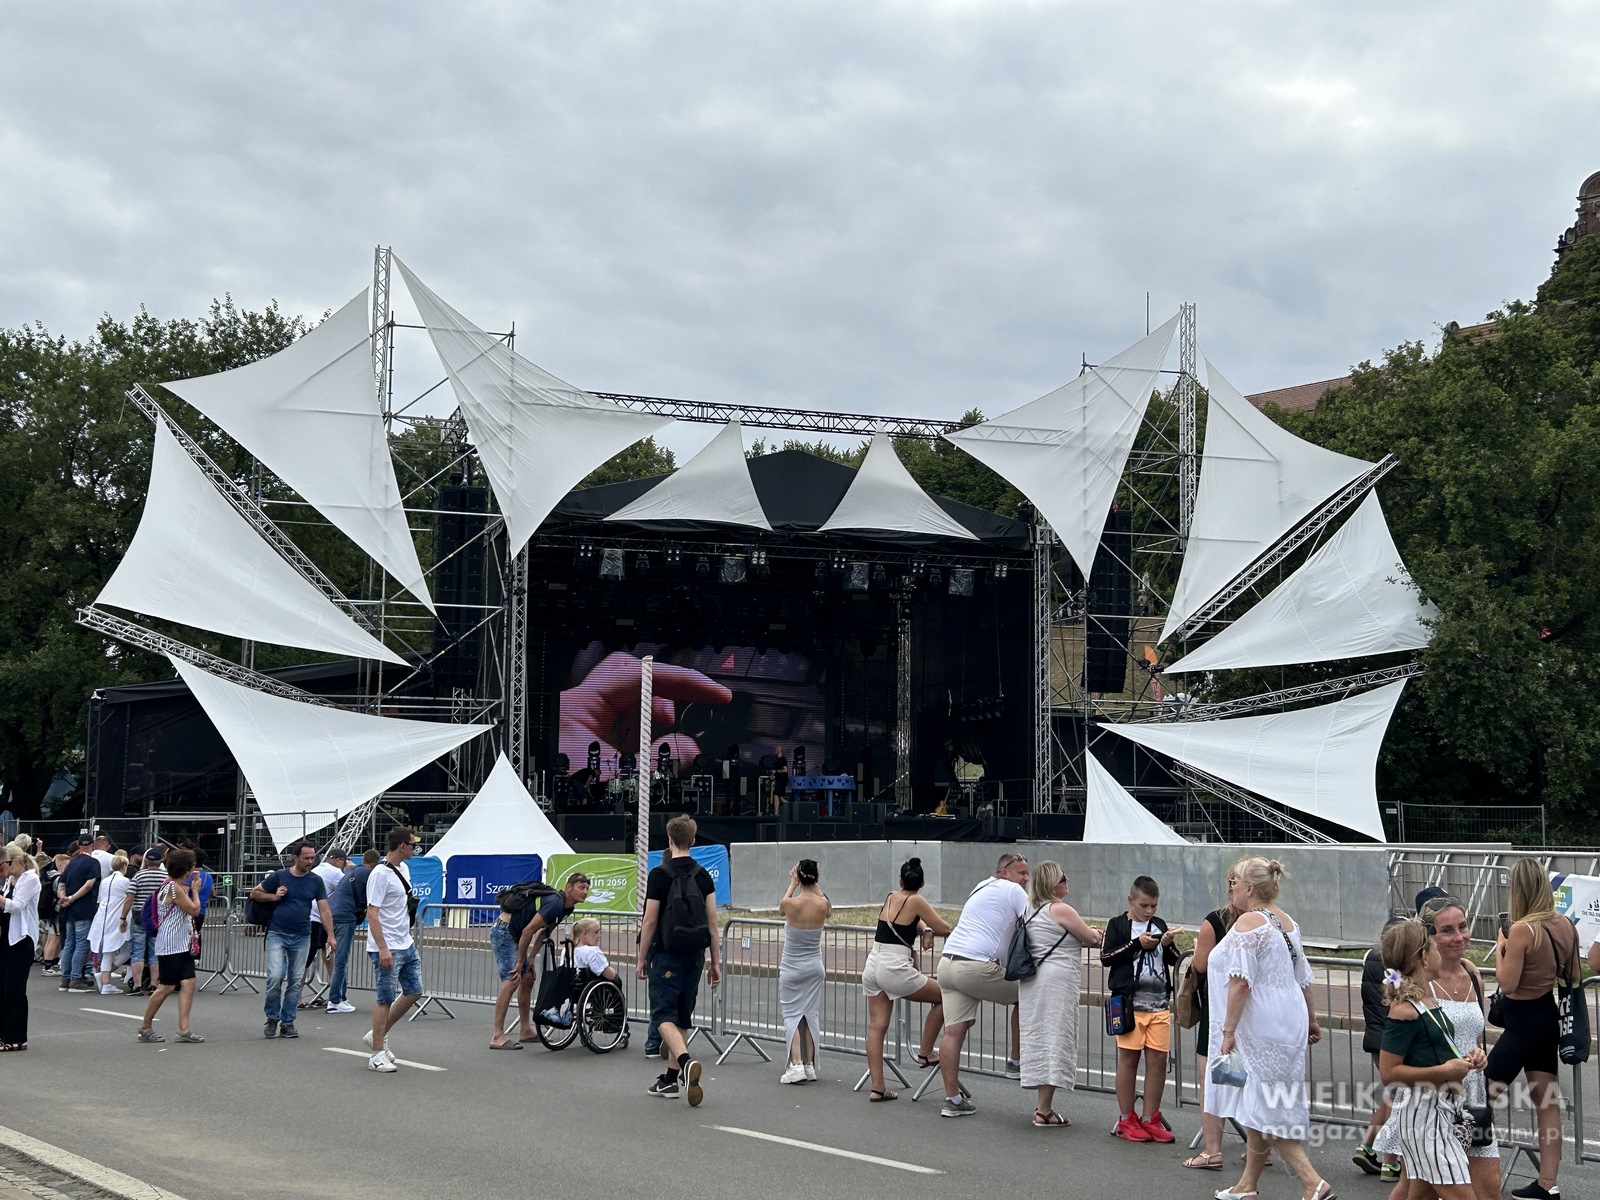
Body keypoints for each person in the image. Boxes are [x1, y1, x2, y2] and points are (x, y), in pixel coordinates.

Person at [1208, 857, 1331, 1200]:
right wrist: (1312, 1018)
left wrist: (1228, 1032)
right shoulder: (1286, 921)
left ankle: (1312, 1181)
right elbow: (1302, 977)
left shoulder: (1249, 922)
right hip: (1287, 1017)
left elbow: (1240, 982)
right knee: (1262, 1100)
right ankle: (1247, 1185)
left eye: (1234, 883)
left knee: (1263, 1103)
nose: (1231, 888)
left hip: (1260, 1021)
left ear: (1249, 888)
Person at [1485, 857, 1577, 1200]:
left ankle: (1476, 1172)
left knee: (1482, 1095)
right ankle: (1548, 1183)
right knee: (1546, 1102)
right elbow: (1573, 975)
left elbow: (1507, 984)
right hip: (1546, 1017)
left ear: (1519, 890)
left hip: (1521, 1023)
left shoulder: (1523, 929)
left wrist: (1502, 946)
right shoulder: (1565, 924)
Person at [1378, 918, 1485, 1200]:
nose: (1440, 952)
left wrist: (1470, 1057)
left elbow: (1434, 1051)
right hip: (1425, 1118)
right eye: (1434, 948)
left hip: (1442, 1111)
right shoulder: (1405, 1010)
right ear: (1424, 958)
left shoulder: (1428, 1001)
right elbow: (1389, 1073)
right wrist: (1446, 1070)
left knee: (1419, 1195)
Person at [932, 852, 1030, 1117]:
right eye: (1021, 873)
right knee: (1027, 995)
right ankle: (1016, 1062)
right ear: (1004, 871)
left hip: (948, 963)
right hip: (976, 966)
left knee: (953, 1032)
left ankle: (952, 1100)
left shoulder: (981, 886)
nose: (1026, 879)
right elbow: (1038, 921)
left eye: (1027, 874)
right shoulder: (1013, 890)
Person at [1416, 893, 1500, 1200]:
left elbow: (1475, 1038)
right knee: (1418, 1193)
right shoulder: (1418, 981)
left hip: (1473, 1098)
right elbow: (1403, 1050)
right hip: (1431, 1099)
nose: (1459, 936)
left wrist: (1480, 1057)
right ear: (1429, 936)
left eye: (1462, 927)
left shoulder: (1474, 976)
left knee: (1489, 1190)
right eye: (1447, 930)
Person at [637, 814, 721, 1105]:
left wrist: (641, 957)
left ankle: (685, 1063)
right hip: (695, 955)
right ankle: (670, 1080)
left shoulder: (659, 874)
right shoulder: (703, 875)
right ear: (693, 840)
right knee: (682, 1016)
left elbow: (650, 921)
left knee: (663, 1015)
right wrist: (715, 962)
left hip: (666, 953)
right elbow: (713, 923)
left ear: (670, 840)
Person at [1018, 861, 1102, 1127]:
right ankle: (1044, 1110)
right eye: (1063, 878)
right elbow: (1091, 938)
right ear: (1052, 884)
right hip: (1057, 980)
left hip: (1033, 980)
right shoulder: (1060, 909)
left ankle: (1042, 1105)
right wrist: (1096, 932)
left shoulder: (1030, 909)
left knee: (1039, 1036)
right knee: (1056, 1037)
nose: (1067, 882)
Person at [862, 856, 949, 1102]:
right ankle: (925, 1052)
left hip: (873, 963)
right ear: (922, 883)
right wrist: (932, 929)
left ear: (900, 881)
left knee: (877, 1026)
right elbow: (943, 927)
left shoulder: (891, 896)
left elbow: (909, 921)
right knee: (946, 996)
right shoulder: (917, 900)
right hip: (895, 967)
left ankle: (878, 1088)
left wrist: (924, 929)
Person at [1101, 874, 1180, 1143]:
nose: (1149, 911)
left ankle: (1150, 1118)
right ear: (1131, 900)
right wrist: (1136, 944)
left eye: (1154, 906)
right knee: (1129, 1059)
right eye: (1144, 905)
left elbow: (1173, 959)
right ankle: (1126, 1118)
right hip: (1128, 1005)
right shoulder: (1117, 925)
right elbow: (1106, 957)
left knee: (1158, 1061)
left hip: (1158, 1004)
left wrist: (1167, 945)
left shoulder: (1159, 924)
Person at [489, 871, 591, 1048]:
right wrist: (520, 962)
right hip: (504, 930)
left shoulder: (567, 908)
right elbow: (528, 931)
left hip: (515, 932)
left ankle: (526, 1030)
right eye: (581, 887)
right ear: (569, 887)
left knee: (527, 978)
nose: (585, 892)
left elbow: (544, 932)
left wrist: (531, 958)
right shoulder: (556, 903)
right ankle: (497, 1036)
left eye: (587, 889)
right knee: (512, 979)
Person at [249, 839, 336, 1039]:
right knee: (275, 977)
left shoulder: (315, 881)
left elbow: (324, 909)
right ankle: (272, 1017)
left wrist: (330, 935)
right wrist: (274, 896)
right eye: (306, 858)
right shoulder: (279, 876)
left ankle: (288, 1022)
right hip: (277, 933)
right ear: (295, 858)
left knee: (296, 981)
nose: (310, 862)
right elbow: (255, 893)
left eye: (312, 858)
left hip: (302, 936)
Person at [1183, 885, 1238, 1170]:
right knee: (1249, 1079)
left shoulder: (1216, 921)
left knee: (1210, 1078)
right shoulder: (1269, 920)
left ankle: (1212, 1149)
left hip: (1218, 1008)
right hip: (1253, 1010)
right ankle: (1260, 1149)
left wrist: (1196, 950)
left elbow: (1201, 965)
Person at [1352, 914, 1407, 1184]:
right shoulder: (1399, 966)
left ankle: (1367, 1146)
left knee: (1393, 1096)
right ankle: (1390, 1161)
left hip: (1375, 1037)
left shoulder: (1371, 959)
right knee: (1400, 1100)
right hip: (1394, 1041)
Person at [364, 827, 422, 1072]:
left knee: (415, 991)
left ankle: (377, 1034)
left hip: (405, 942)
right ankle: (376, 1054)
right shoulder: (379, 874)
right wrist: (383, 948)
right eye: (413, 844)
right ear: (402, 846)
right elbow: (372, 913)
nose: (415, 848)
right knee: (385, 998)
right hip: (388, 946)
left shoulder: (404, 869)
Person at [135, 847, 204, 1045]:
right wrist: (195, 891)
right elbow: (194, 910)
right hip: (170, 944)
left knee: (189, 982)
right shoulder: (173, 888)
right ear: (186, 868)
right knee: (166, 986)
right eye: (191, 866)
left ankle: (184, 1029)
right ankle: (145, 1027)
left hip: (181, 942)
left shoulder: (174, 887)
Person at [777, 858, 830, 1083]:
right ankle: (809, 1065)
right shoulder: (822, 904)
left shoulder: (792, 904)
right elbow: (829, 909)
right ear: (816, 878)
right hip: (814, 966)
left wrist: (792, 883)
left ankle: (796, 1064)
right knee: (810, 1015)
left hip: (792, 966)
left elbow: (781, 909)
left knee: (791, 1015)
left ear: (798, 876)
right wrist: (815, 884)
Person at [325, 849, 378, 1014]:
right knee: (341, 960)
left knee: (340, 958)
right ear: (375, 864)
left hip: (332, 914)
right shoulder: (368, 873)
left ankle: (341, 997)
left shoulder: (357, 871)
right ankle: (334, 1001)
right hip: (345, 917)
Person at [1, 843, 41, 1051]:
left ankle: (15, 1037)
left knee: (14, 989)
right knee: (4, 987)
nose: (3, 868)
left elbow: (16, 906)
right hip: (7, 937)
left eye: (4, 864)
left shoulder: (30, 879)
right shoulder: (10, 880)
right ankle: (4, 1034)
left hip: (22, 938)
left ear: (15, 862)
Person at [300, 849, 348, 1008]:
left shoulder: (318, 869)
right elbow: (349, 886)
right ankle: (333, 991)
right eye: (344, 863)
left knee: (324, 950)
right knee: (310, 957)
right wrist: (352, 869)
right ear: (339, 860)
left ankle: (332, 988)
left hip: (313, 915)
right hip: (317, 917)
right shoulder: (335, 872)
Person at [56, 841, 100, 991]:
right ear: (93, 846)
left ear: (79, 846)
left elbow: (61, 883)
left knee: (69, 943)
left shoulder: (71, 862)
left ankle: (65, 979)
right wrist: (72, 898)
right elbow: (89, 885)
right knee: (81, 944)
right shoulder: (93, 863)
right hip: (84, 908)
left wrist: (63, 897)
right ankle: (76, 979)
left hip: (69, 910)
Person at [124, 848, 168, 995]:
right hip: (158, 917)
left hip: (139, 916)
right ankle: (154, 984)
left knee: (137, 951)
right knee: (155, 952)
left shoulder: (139, 875)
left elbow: (130, 897)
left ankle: (137, 985)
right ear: (161, 861)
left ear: (146, 861)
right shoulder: (166, 877)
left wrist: (123, 917)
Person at [88, 853, 132, 995]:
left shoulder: (105, 881)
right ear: (124, 866)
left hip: (102, 917)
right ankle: (106, 982)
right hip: (117, 917)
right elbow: (130, 898)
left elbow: (100, 900)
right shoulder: (125, 881)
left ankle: (104, 977)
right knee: (123, 950)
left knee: (109, 950)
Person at [35, 852, 61, 974]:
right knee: (54, 937)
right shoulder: (57, 877)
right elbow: (60, 893)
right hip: (56, 909)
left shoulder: (44, 876)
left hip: (47, 908)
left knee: (47, 934)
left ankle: (45, 958)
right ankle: (48, 965)